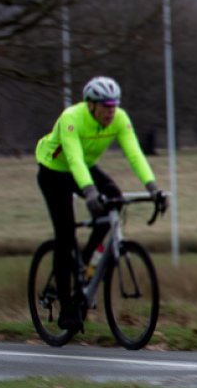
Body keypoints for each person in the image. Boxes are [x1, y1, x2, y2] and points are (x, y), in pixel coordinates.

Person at [35, 76, 165, 323]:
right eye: (105, 106)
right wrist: (90, 191)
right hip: (54, 172)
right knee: (65, 235)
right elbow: (73, 159)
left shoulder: (119, 119)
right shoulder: (72, 118)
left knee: (114, 201)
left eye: (114, 105)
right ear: (91, 105)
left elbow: (135, 154)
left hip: (84, 168)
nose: (110, 111)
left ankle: (82, 265)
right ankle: (66, 307)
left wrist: (153, 188)